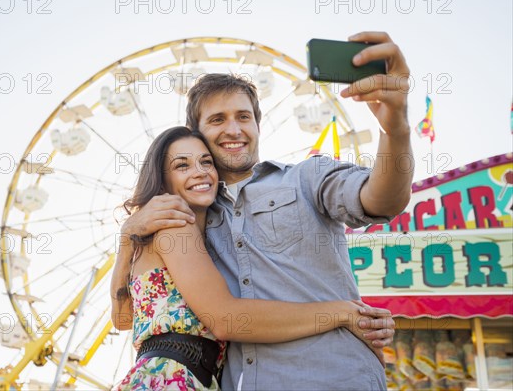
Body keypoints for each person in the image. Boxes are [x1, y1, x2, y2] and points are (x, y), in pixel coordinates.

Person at [115, 31, 412, 390]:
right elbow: (132, 317)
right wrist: (129, 234)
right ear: (198, 134)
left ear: (257, 125)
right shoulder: (187, 224)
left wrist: (394, 128)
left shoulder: (307, 177)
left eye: (243, 116)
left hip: (332, 377)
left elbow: (383, 199)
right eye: (217, 119)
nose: (234, 129)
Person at [111, 126, 395, 390]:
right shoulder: (176, 228)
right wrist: (341, 313)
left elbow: (124, 320)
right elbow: (224, 318)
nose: (199, 172)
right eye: (182, 165)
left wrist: (127, 244)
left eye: (206, 162)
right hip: (172, 377)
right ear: (163, 179)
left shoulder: (195, 241)